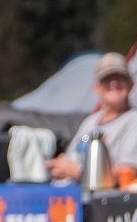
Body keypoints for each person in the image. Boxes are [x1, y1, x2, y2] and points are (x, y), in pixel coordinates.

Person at [45, 52, 137, 182]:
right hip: (68, 195)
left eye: (120, 78)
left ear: (131, 84)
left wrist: (77, 172)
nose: (114, 83)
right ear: (96, 87)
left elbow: (128, 174)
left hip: (104, 200)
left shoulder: (133, 121)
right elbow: (70, 158)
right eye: (107, 79)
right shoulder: (90, 121)